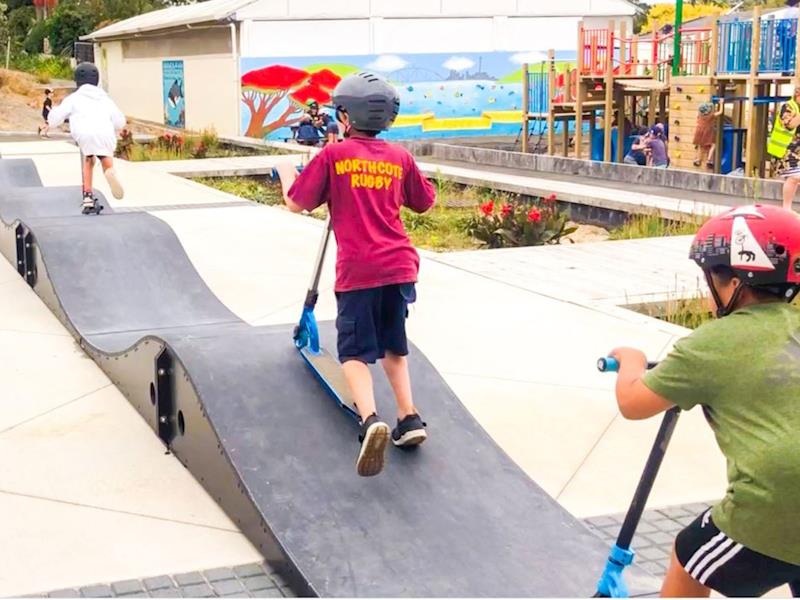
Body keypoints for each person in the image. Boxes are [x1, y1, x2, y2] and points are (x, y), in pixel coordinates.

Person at [608, 204, 800, 597]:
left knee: (689, 559)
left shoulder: (711, 345)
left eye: (710, 276)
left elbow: (632, 403)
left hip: (778, 504)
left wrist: (632, 360)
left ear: (732, 282)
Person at [275, 72, 435, 477]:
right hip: (400, 267)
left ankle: (370, 421)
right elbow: (425, 202)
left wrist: (286, 171)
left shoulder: (334, 156)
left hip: (359, 270)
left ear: (346, 116)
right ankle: (409, 417)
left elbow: (297, 204)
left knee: (353, 353)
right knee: (393, 347)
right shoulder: (400, 157)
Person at [48, 62, 126, 212]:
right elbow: (120, 122)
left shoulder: (74, 98)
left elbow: (54, 120)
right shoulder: (105, 99)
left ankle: (88, 197)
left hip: (84, 133)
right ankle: (110, 171)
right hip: (105, 133)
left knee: (89, 159)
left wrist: (52, 113)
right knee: (105, 157)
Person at [767, 84, 800, 210]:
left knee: (795, 178)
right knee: (794, 176)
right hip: (786, 150)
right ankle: (786, 208)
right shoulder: (788, 107)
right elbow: (790, 124)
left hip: (797, 150)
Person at [693, 101, 718, 170]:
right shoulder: (711, 116)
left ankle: (698, 159)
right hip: (707, 132)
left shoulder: (700, 115)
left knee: (701, 146)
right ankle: (709, 159)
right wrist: (721, 103)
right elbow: (721, 112)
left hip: (699, 132)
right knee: (713, 145)